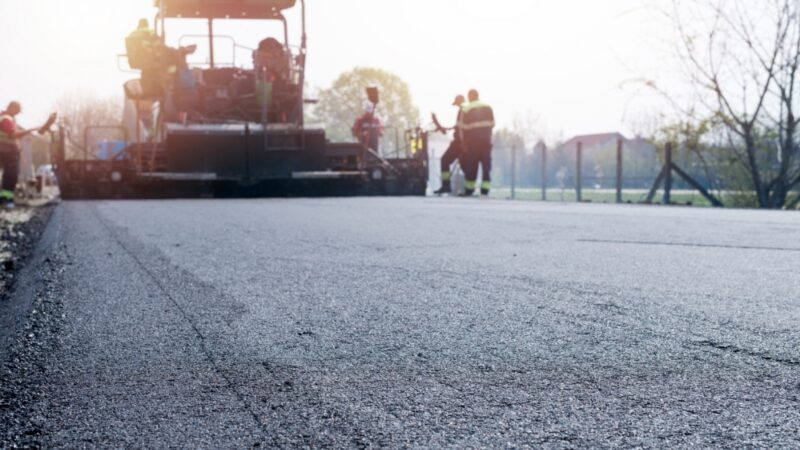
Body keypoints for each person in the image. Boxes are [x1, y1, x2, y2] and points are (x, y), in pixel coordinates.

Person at [458, 89, 495, 196]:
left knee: (471, 165)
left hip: (472, 142)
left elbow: (462, 128)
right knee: (486, 165)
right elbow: (492, 123)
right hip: (486, 141)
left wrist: (463, 143)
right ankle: (485, 190)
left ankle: (469, 189)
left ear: (469, 96)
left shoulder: (466, 109)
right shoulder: (488, 107)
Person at [0, 102, 36, 208]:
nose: (17, 114)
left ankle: (5, 199)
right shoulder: (6, 119)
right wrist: (28, 131)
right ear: (11, 108)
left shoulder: (4, 117)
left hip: (6, 150)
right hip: (7, 151)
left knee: (8, 176)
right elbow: (13, 134)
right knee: (11, 176)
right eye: (16, 111)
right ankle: (7, 200)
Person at [434, 94, 466, 195]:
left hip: (459, 142)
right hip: (463, 142)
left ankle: (446, 185)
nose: (456, 105)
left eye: (457, 103)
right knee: (465, 165)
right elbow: (458, 126)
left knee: (445, 160)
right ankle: (468, 188)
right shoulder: (465, 111)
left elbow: (461, 128)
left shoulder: (463, 110)